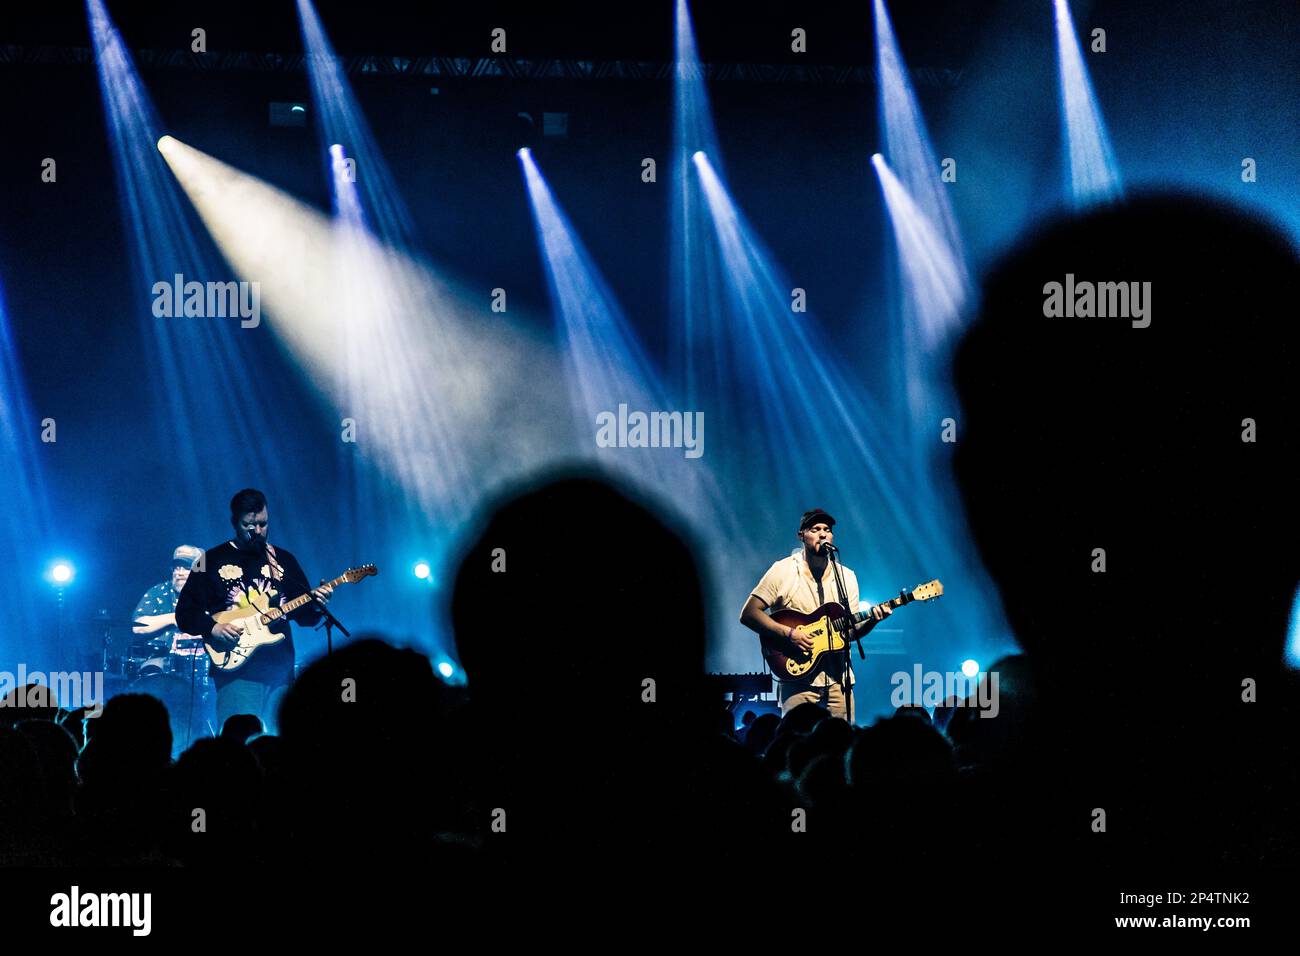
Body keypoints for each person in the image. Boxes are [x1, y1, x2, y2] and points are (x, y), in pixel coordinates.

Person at [175, 488, 332, 734]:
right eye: (249, 525)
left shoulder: (283, 559)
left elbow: (304, 617)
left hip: (280, 671)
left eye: (263, 524)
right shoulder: (209, 559)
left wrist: (317, 603)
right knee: (238, 747)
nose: (257, 531)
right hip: (237, 672)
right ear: (235, 522)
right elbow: (185, 613)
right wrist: (213, 627)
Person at [739, 508, 891, 721]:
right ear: (801, 535)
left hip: (839, 679)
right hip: (796, 681)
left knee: (842, 744)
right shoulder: (783, 571)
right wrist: (789, 634)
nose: (822, 534)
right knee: (796, 743)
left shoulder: (847, 577)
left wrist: (873, 620)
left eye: (827, 530)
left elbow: (849, 633)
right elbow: (749, 613)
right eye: (815, 529)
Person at [131, 544, 204, 656]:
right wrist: (173, 617)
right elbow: (137, 626)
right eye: (177, 567)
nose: (179, 573)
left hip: (203, 663)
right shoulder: (159, 592)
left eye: (187, 568)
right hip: (162, 662)